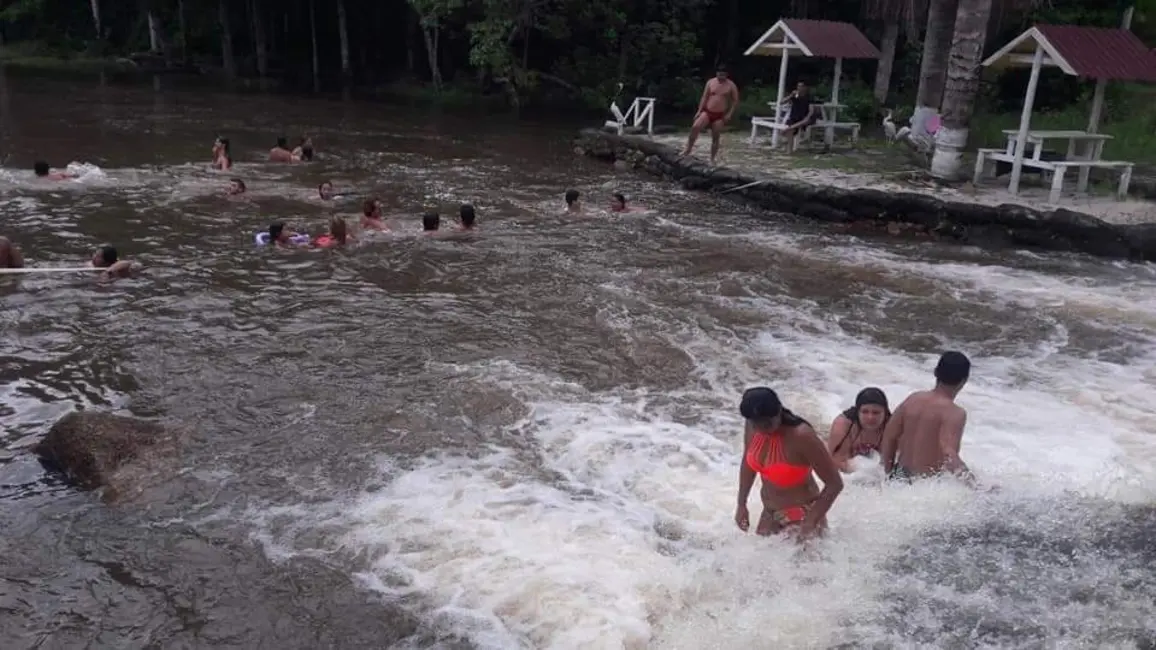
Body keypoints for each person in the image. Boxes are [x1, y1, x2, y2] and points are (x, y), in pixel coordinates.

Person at [735, 387, 843, 539]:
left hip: (803, 513)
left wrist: (810, 522)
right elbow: (747, 462)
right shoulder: (752, 424)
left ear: (779, 411)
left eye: (767, 424)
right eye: (756, 425)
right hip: (770, 512)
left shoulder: (801, 435)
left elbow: (835, 484)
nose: (762, 429)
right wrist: (741, 504)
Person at [880, 351, 974, 484]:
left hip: (899, 475)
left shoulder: (913, 399)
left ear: (935, 372)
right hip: (925, 484)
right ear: (964, 380)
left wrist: (888, 472)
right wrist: (975, 486)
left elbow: (889, 435)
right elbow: (949, 454)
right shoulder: (954, 413)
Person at [681, 64, 739, 166]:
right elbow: (704, 97)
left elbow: (735, 101)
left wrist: (729, 114)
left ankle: (712, 158)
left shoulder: (731, 85)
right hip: (708, 111)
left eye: (723, 75)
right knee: (695, 127)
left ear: (726, 75)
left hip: (720, 114)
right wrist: (699, 111)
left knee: (715, 136)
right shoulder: (711, 82)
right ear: (716, 74)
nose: (721, 77)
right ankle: (688, 149)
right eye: (719, 75)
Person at [827, 387, 891, 473]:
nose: (870, 417)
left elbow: (897, 464)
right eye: (865, 412)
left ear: (885, 413)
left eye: (876, 412)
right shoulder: (844, 424)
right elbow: (835, 460)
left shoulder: (893, 428)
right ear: (857, 412)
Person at [780, 81, 821, 150]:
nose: (799, 88)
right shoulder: (795, 96)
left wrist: (807, 117)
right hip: (796, 117)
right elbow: (781, 102)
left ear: (805, 88)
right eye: (798, 86)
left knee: (805, 120)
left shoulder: (809, 97)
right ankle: (789, 150)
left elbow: (811, 111)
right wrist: (790, 95)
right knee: (791, 130)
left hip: (805, 117)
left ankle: (788, 128)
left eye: (801, 86)